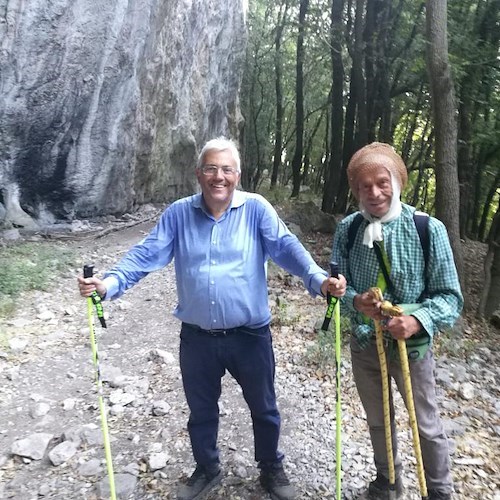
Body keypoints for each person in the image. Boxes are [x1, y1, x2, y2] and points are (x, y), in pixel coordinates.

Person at [78, 136, 346, 500]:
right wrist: (108, 284)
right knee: (201, 411)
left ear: (238, 174)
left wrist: (318, 280)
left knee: (264, 407)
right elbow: (146, 255)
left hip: (250, 335)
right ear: (198, 174)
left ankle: (270, 467)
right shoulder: (178, 213)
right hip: (198, 337)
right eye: (211, 169)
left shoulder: (256, 209)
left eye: (226, 169)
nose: (219, 176)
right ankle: (207, 468)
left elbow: (286, 248)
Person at [331, 142, 463, 500]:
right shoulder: (348, 229)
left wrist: (417, 319)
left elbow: (450, 297)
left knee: (426, 424)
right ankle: (387, 481)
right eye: (364, 186)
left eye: (381, 183)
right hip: (365, 343)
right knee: (378, 419)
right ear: (356, 190)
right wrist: (355, 301)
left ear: (396, 183)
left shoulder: (427, 229)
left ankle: (439, 491)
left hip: (412, 349)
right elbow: (336, 290)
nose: (374, 192)